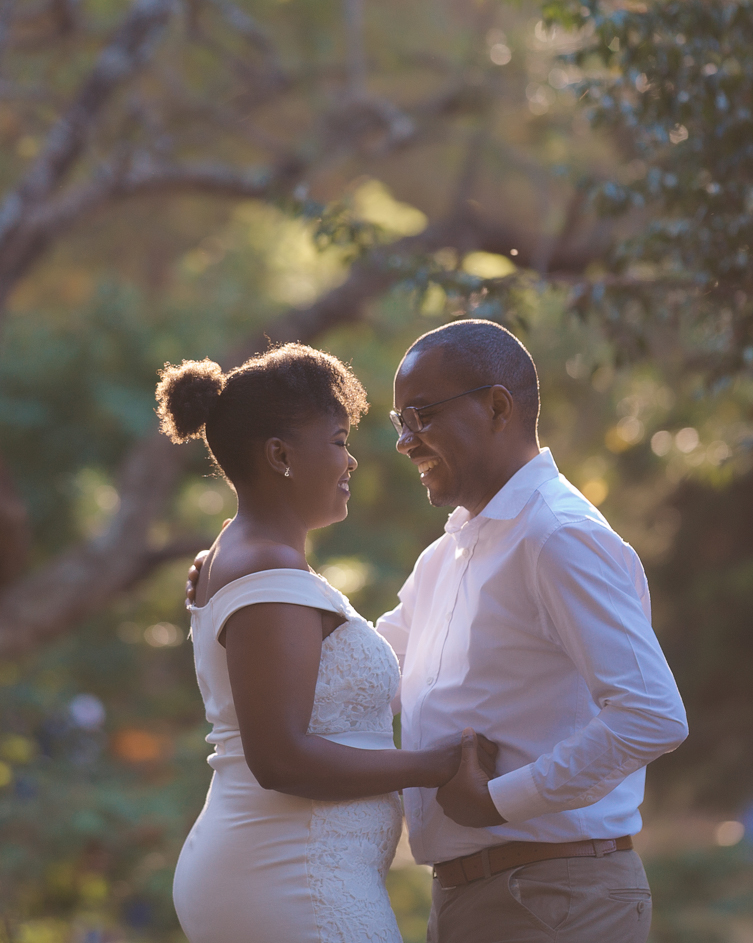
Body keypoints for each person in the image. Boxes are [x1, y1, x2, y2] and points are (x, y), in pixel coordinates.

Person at [158, 344, 495, 943]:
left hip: (284, 871)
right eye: (339, 440)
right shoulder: (266, 573)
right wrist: (432, 766)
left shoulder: (243, 559)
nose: (352, 461)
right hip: (292, 881)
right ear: (281, 455)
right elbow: (279, 758)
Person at [375, 319, 689, 943]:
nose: (406, 441)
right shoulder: (445, 556)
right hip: (476, 896)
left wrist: (498, 801)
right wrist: (255, 582)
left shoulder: (557, 535)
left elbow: (652, 714)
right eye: (400, 423)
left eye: (422, 416)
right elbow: (372, 667)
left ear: (497, 407)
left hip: (556, 899)